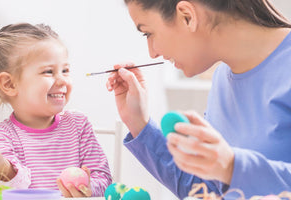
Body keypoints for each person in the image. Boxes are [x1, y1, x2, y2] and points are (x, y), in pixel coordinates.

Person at [106, 0, 291, 199]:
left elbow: (228, 172)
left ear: (187, 16)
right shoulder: (222, 80)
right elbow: (206, 190)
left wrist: (232, 167)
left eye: (148, 33)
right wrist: (138, 123)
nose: (153, 53)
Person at [0, 23, 112, 197]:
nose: (62, 80)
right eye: (48, 71)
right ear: (9, 84)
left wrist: (89, 187)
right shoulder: (0, 136)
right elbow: (16, 189)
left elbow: (104, 179)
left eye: (65, 70)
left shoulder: (78, 125)